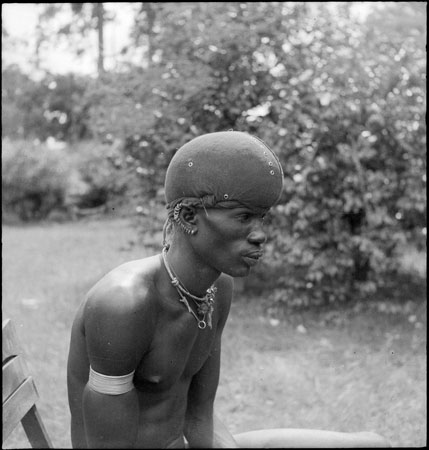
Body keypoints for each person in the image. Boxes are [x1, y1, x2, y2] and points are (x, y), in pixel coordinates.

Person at [67, 131, 390, 448]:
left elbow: (199, 417)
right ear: (188, 215)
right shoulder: (123, 303)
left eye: (262, 218)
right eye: (243, 217)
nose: (260, 235)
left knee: (373, 444)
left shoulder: (217, 289)